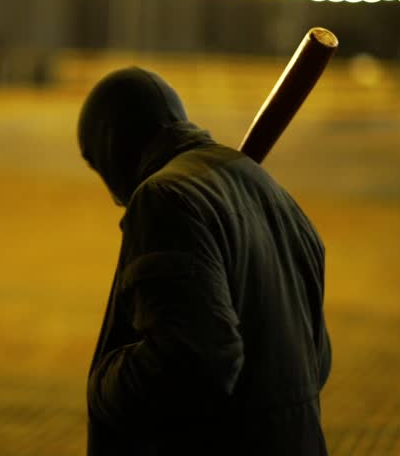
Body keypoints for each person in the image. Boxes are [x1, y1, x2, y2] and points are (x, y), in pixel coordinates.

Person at [78, 67, 331, 455]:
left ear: (112, 146)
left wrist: (103, 384)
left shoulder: (164, 198)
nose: (114, 196)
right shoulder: (276, 196)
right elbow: (316, 359)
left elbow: (195, 360)